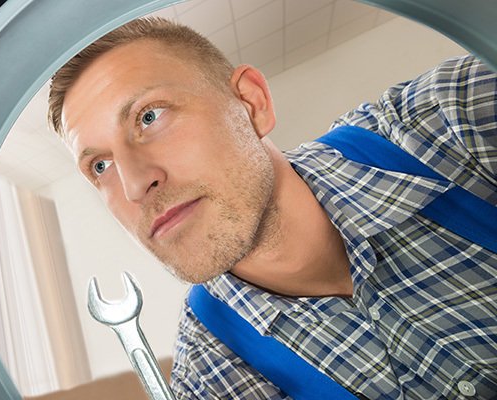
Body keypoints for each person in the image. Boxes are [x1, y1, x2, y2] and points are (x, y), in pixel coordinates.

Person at [47, 17, 496, 399]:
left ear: (251, 104)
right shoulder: (211, 375)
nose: (134, 184)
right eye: (100, 165)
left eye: (149, 116)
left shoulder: (446, 120)